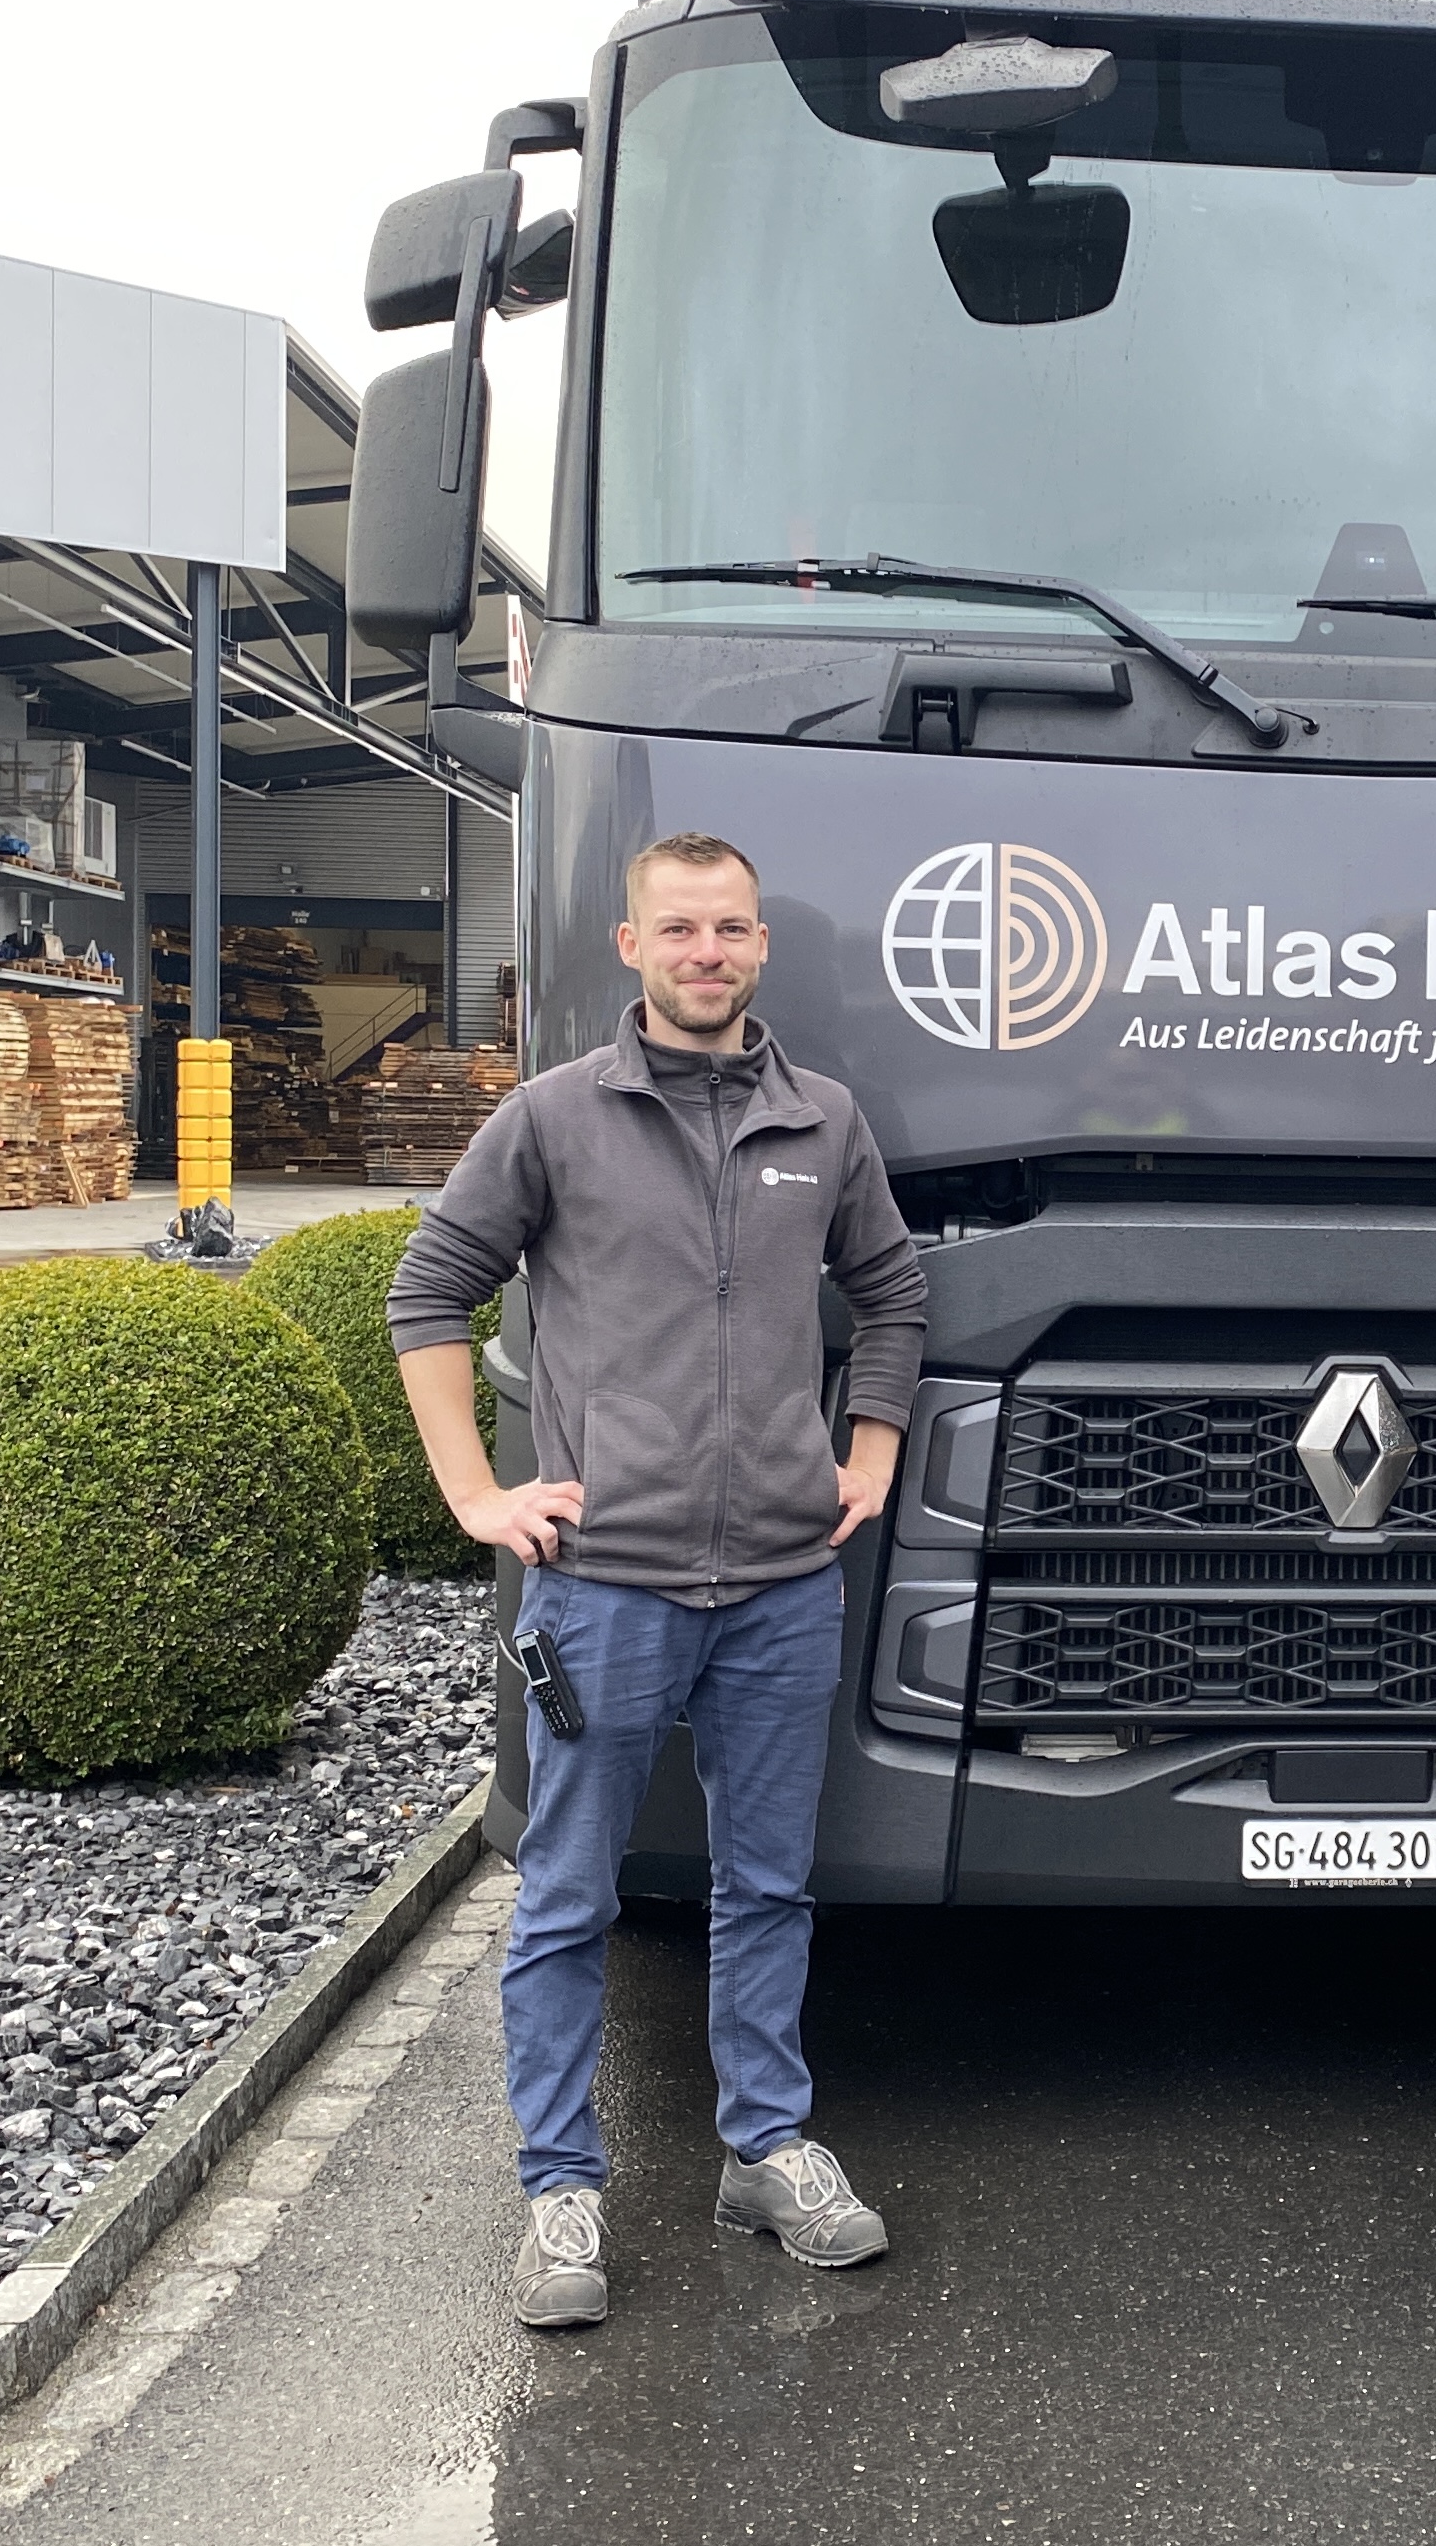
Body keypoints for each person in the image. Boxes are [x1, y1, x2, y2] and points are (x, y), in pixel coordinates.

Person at [388, 829, 929, 2329]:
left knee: (768, 1885)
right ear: (629, 945)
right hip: (605, 1585)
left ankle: (766, 2149)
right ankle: (560, 2188)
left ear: (761, 946)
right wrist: (476, 1493)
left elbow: (891, 1294)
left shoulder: (823, 1119)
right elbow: (429, 1289)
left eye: (730, 928)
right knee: (569, 1894)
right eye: (679, 928)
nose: (707, 951)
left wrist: (870, 1450)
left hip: (782, 1584)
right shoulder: (554, 1116)